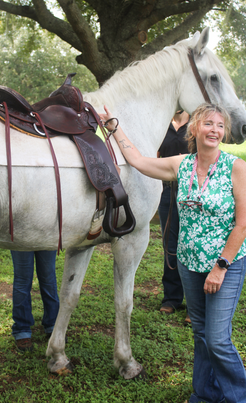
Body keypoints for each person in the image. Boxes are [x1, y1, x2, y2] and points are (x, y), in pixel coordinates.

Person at [100, 103, 246, 403]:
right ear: (194, 129)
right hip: (188, 264)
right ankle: (204, 394)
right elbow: (138, 161)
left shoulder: (236, 168)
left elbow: (243, 224)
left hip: (225, 264)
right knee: (201, 335)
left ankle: (238, 396)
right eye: (208, 124)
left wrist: (221, 266)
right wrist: (114, 129)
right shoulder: (181, 164)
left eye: (220, 126)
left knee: (217, 340)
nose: (215, 130)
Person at [157, 111, 190, 319]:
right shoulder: (161, 123)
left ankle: (196, 302)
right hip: (168, 190)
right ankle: (171, 298)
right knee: (170, 245)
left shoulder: (197, 123)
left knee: (193, 243)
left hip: (193, 190)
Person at [11, 249, 60, 352]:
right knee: (22, 280)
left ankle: (53, 324)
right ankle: (22, 330)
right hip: (22, 235)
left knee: (48, 278)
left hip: (48, 235)